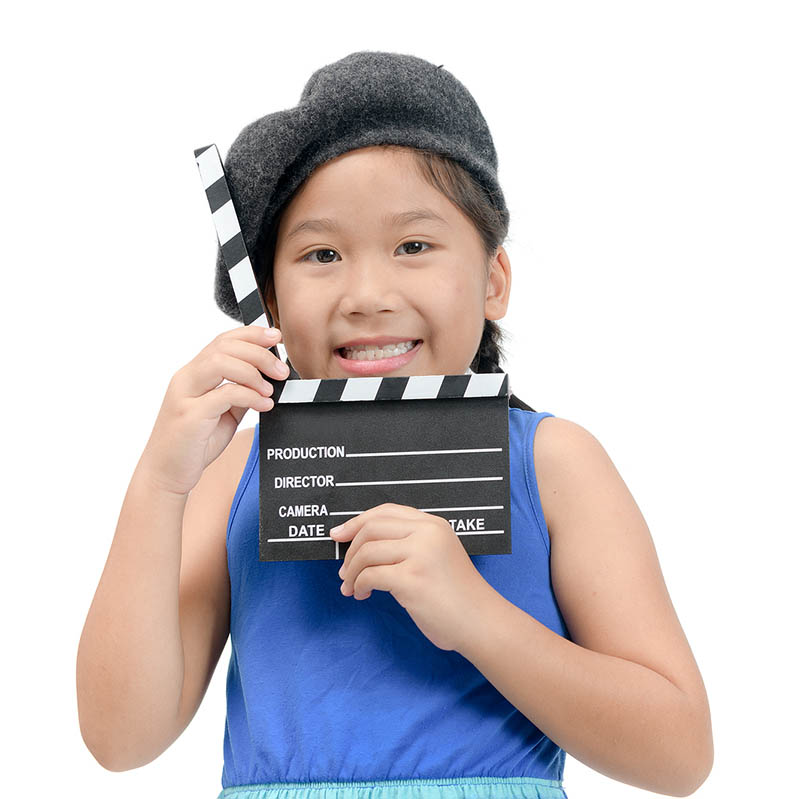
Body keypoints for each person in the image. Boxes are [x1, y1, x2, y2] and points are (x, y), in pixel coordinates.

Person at [76, 51, 713, 799]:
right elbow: (120, 739)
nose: (367, 293)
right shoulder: (230, 476)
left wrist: (477, 617)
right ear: (270, 305)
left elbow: (678, 754)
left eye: (413, 245)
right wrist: (159, 481)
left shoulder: (552, 461)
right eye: (320, 253)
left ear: (493, 281)